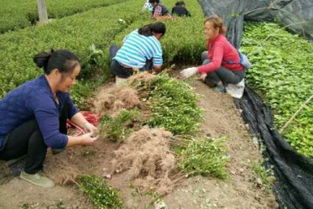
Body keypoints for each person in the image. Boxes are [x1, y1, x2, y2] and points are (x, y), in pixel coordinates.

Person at [0, 49, 99, 188]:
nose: (74, 82)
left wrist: (85, 124)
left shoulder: (55, 88)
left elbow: (70, 109)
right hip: (4, 142)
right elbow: (51, 138)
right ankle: (30, 171)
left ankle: (60, 144)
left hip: (17, 129)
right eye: (72, 77)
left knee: (59, 107)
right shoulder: (42, 98)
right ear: (56, 73)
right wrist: (81, 140)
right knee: (44, 126)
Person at [180, 15, 248, 93]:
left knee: (207, 62)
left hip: (235, 75)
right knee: (204, 54)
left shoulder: (219, 43)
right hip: (227, 67)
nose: (205, 31)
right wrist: (204, 72)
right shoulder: (212, 39)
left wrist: (196, 69)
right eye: (205, 28)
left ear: (217, 29)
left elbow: (216, 64)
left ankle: (219, 85)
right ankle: (213, 77)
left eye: (208, 29)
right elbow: (210, 55)